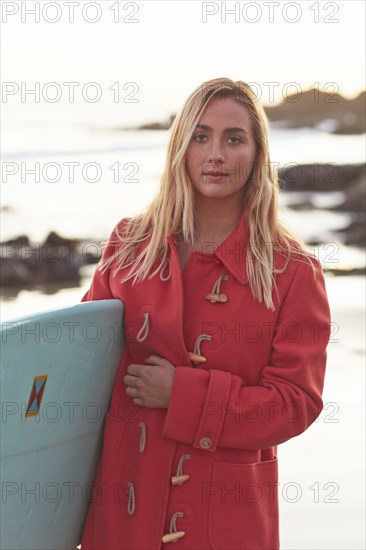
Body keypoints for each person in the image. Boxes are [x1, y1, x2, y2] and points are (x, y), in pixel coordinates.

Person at [80, 77, 331, 550]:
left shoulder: (292, 271)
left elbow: (296, 402)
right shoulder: (128, 246)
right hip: (123, 517)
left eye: (233, 138)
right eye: (201, 136)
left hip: (228, 523)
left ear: (257, 154)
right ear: (181, 148)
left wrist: (184, 396)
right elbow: (80, 370)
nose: (215, 153)